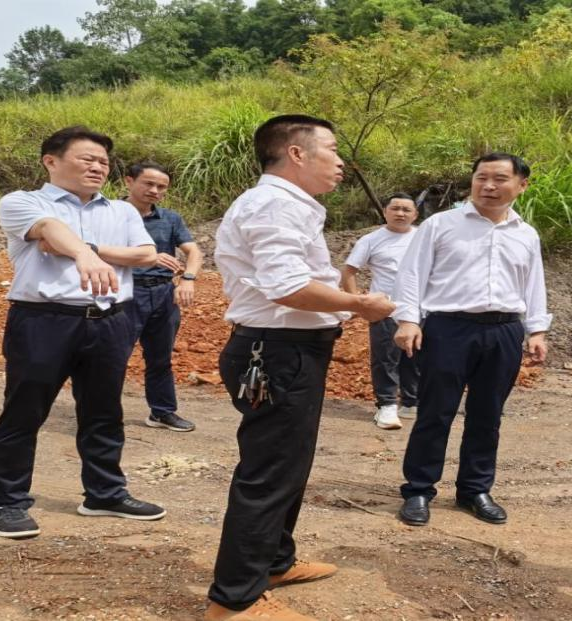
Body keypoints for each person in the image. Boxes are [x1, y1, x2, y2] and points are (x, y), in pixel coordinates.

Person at [206, 114, 395, 621]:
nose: (340, 162)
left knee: (289, 465)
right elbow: (287, 286)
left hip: (288, 349)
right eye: (331, 149)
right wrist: (360, 305)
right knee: (269, 473)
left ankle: (274, 563)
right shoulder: (275, 204)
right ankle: (233, 600)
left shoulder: (290, 205)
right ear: (296, 153)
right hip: (276, 351)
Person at [0, 126, 165, 540]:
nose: (98, 167)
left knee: (104, 412)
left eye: (103, 161)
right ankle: (8, 503)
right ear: (51, 161)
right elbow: (50, 230)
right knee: (24, 411)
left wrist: (90, 250)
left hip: (111, 320)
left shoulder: (121, 211)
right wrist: (84, 253)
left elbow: (146, 254)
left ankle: (105, 494)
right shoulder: (22, 202)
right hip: (44, 321)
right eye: (87, 159)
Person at [393, 152, 551, 527]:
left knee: (488, 415)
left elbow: (534, 283)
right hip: (448, 328)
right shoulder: (440, 225)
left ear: (522, 185)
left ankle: (475, 489)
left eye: (499, 179)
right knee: (435, 411)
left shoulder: (526, 234)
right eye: (481, 178)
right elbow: (411, 274)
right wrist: (408, 320)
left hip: (504, 331)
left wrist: (537, 329)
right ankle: (418, 489)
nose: (488, 186)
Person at [118, 161, 204, 432]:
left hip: (163, 294)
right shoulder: (109, 214)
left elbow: (194, 251)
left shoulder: (170, 218)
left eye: (161, 187)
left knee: (160, 357)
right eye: (149, 184)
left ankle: (162, 412)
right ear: (129, 181)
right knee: (114, 356)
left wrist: (188, 279)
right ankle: (100, 413)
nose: (155, 191)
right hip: (125, 292)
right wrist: (147, 258)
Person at [340, 193, 421, 430]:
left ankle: (411, 403)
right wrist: (358, 303)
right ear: (385, 212)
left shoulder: (423, 237)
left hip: (419, 308)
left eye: (406, 210)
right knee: (386, 357)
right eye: (395, 208)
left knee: (416, 357)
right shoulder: (371, 240)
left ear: (415, 214)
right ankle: (386, 405)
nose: (400, 213)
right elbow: (349, 271)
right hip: (386, 308)